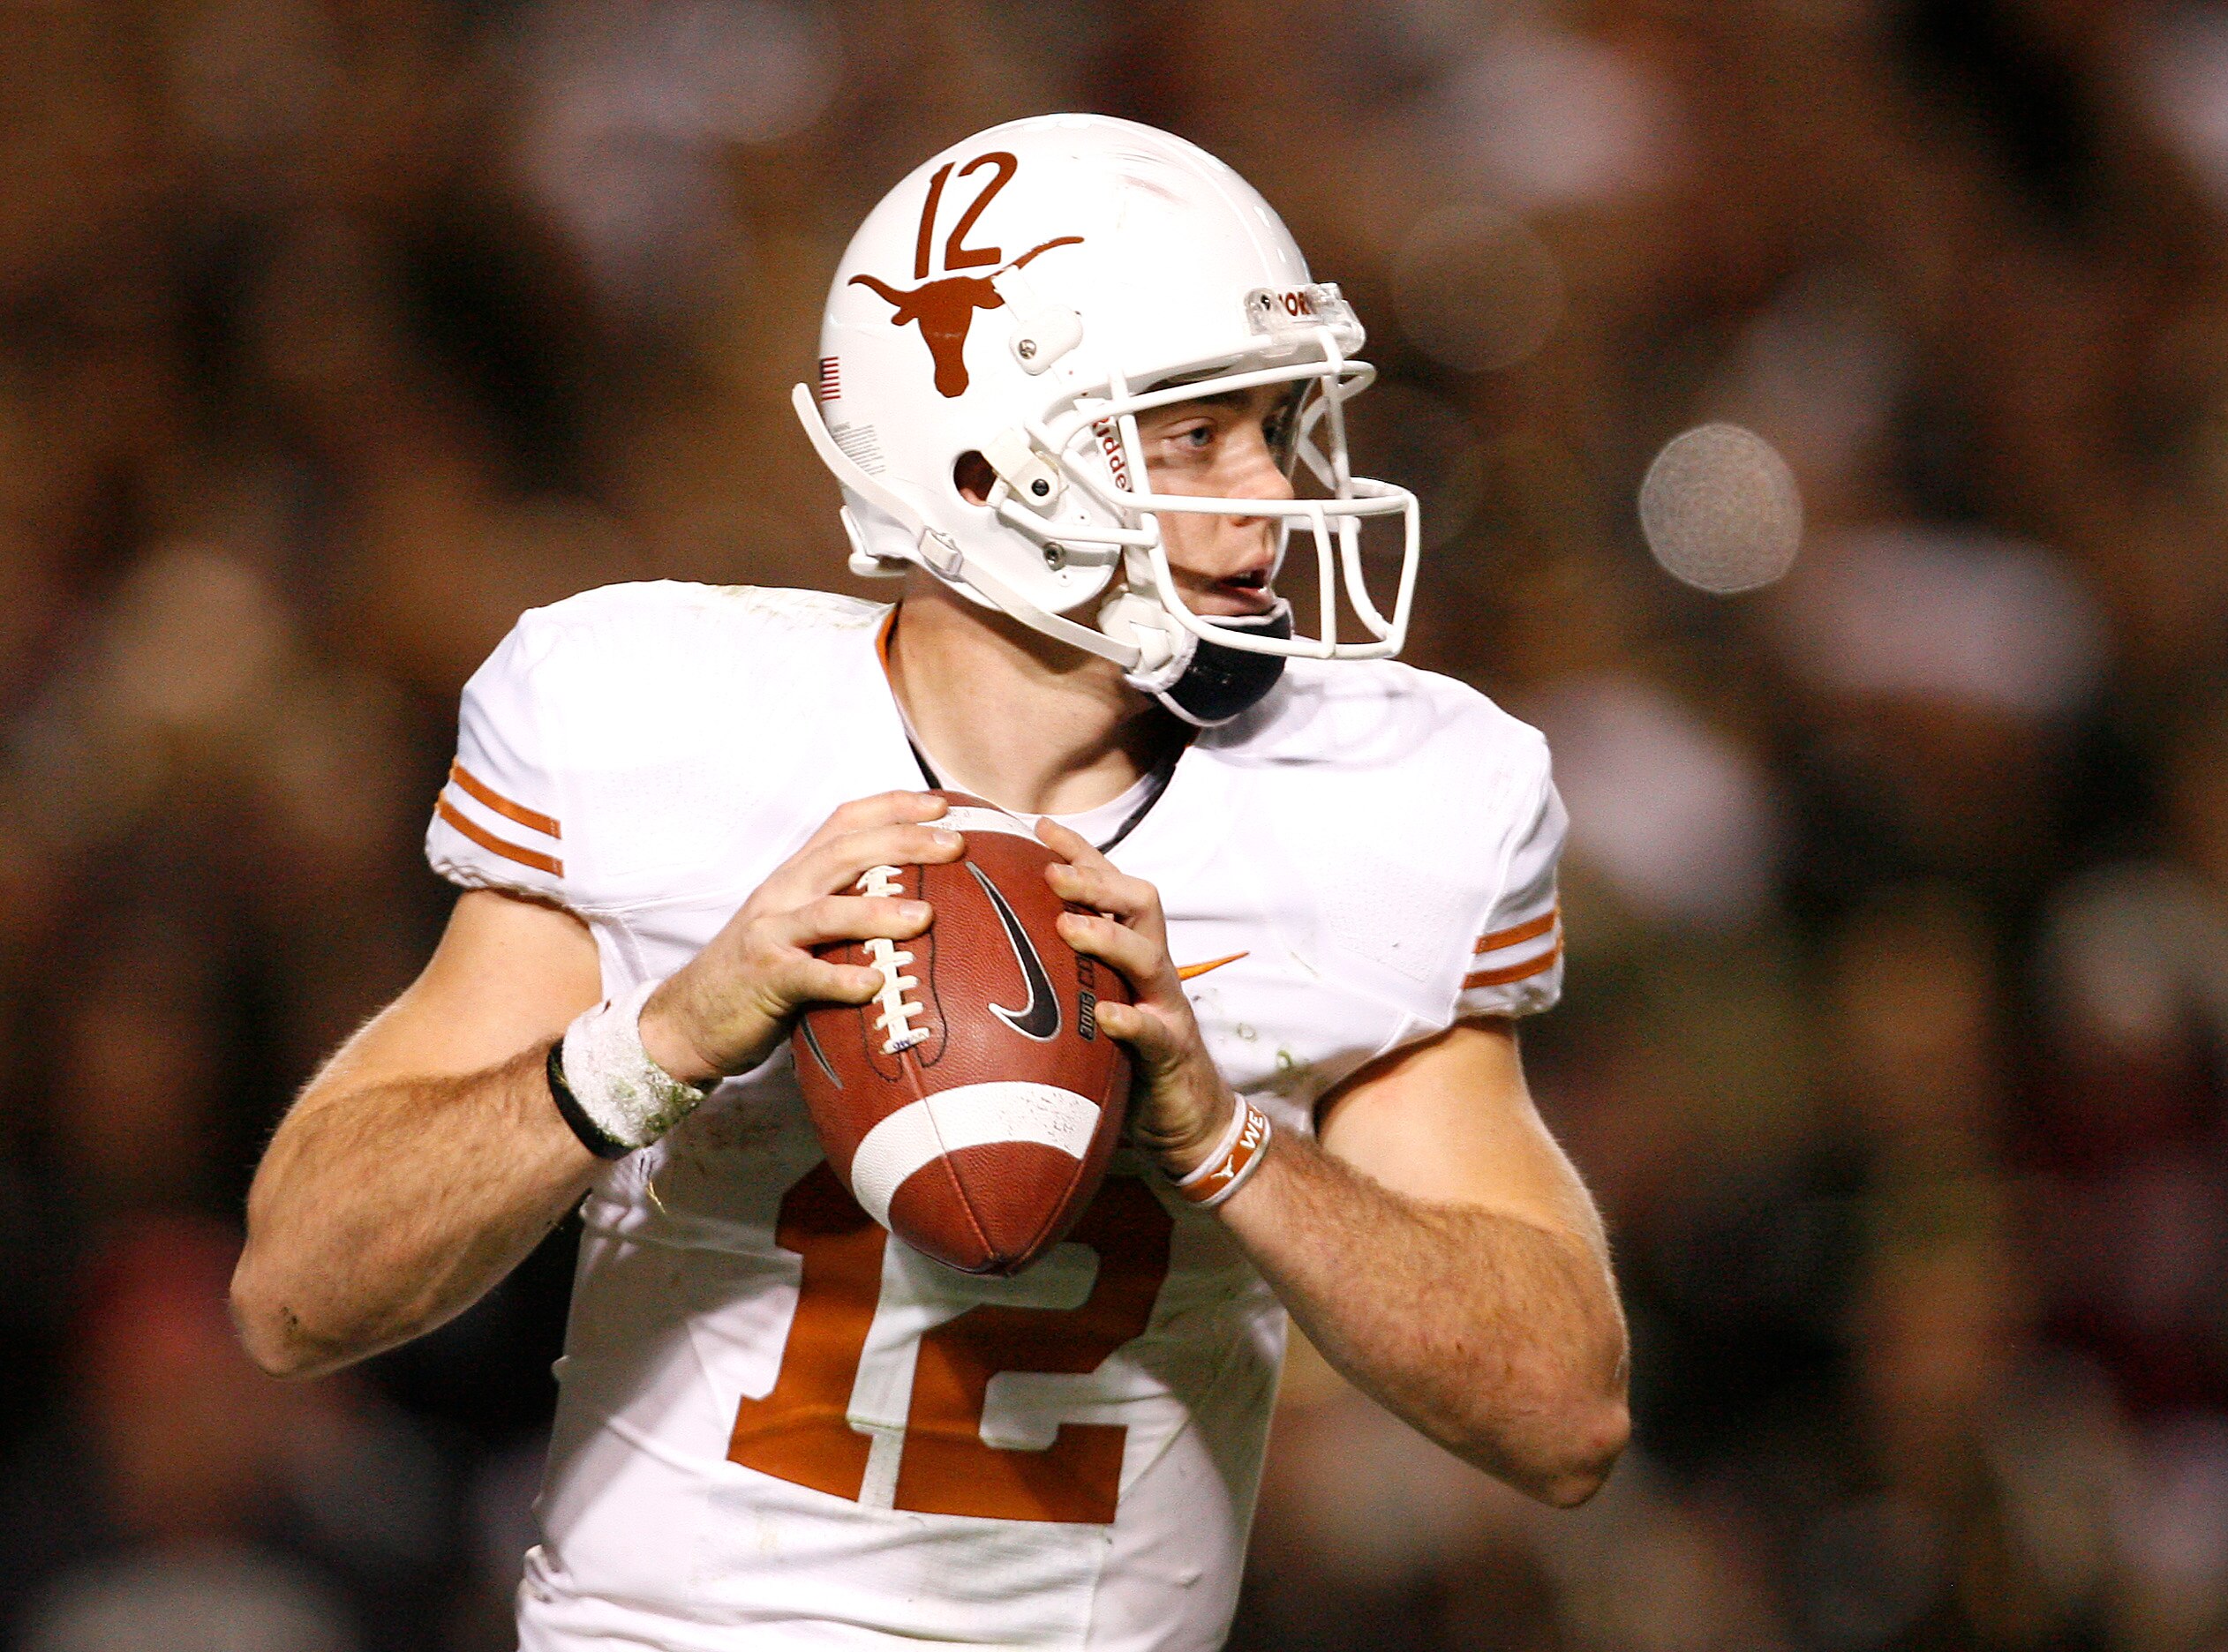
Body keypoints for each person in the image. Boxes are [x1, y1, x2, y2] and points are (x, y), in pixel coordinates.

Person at [231, 114, 1628, 1650]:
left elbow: (1564, 1417)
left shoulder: (1388, 798)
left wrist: (1228, 1145)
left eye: (1280, 426)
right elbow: (298, 1296)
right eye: (1192, 436)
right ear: (984, 458)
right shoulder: (655, 722)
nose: (1267, 496)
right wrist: (668, 1041)